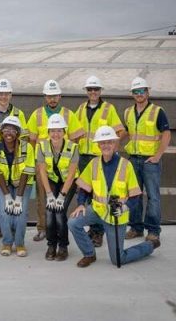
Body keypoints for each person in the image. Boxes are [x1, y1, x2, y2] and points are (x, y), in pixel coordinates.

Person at [69, 126, 160, 268]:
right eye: (103, 143)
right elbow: (84, 188)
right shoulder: (94, 164)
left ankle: (149, 245)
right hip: (98, 211)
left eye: (109, 142)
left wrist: (125, 207)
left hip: (116, 215)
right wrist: (81, 204)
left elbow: (136, 195)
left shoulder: (126, 165)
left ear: (115, 143)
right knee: (73, 223)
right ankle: (89, 254)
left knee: (118, 259)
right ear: (98, 145)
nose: (106, 145)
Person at [69, 76, 126, 248]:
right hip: (84, 157)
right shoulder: (80, 109)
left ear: (100, 91)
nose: (92, 92)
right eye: (89, 89)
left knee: (100, 194)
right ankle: (94, 228)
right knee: (86, 192)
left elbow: (120, 131)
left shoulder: (109, 109)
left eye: (95, 89)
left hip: (100, 157)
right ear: (86, 91)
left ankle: (98, 232)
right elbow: (74, 131)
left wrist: (112, 149)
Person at [122, 77, 171, 241]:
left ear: (147, 92)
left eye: (142, 90)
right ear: (132, 94)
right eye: (136, 91)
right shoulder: (128, 112)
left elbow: (166, 134)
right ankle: (136, 228)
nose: (139, 94)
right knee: (133, 195)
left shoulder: (157, 111)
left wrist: (157, 156)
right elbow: (127, 132)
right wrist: (113, 144)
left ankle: (153, 231)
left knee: (153, 196)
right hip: (133, 159)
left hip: (150, 161)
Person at [0, 79, 30, 241]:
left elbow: (24, 137)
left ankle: (14, 227)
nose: (3, 96)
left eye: (6, 93)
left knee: (15, 195)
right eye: (0, 93)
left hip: (15, 160)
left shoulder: (19, 114)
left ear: (10, 95)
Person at [28, 79, 74, 243]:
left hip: (64, 165)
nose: (52, 99)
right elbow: (32, 140)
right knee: (43, 198)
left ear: (60, 96)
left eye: (55, 96)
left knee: (60, 201)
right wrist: (36, 160)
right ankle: (42, 228)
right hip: (43, 164)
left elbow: (76, 137)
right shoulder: (37, 114)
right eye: (49, 96)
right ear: (45, 97)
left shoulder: (68, 114)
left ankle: (58, 230)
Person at [0, 116, 35, 257]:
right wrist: (7, 196)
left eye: (13, 130)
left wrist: (19, 198)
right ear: (1, 132)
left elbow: (26, 172)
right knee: (4, 212)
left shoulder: (27, 148)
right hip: (2, 184)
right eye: (6, 129)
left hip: (23, 183)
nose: (9, 133)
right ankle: (7, 242)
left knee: (20, 212)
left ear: (18, 133)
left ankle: (20, 243)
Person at [37, 113, 80, 261]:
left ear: (64, 132)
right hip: (52, 180)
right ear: (48, 132)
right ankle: (51, 245)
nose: (56, 134)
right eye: (52, 130)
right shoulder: (42, 146)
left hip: (68, 182)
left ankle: (63, 246)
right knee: (50, 212)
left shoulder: (73, 147)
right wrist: (49, 194)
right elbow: (42, 171)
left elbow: (72, 173)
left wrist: (62, 195)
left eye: (59, 130)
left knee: (59, 212)